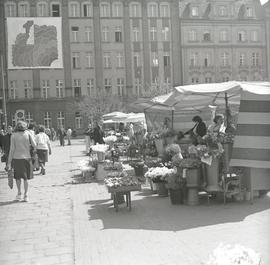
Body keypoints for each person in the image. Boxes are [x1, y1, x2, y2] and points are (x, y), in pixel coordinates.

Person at [7, 121, 36, 202]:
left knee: (18, 178)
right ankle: (26, 195)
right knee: (26, 178)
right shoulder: (28, 134)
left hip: (17, 158)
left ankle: (19, 193)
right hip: (27, 158)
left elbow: (12, 150)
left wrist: (9, 162)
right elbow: (34, 145)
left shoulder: (13, 135)